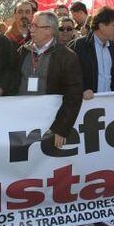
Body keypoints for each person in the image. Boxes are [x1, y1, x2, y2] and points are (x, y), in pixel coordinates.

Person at [15, 11, 83, 148]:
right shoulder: (23, 51)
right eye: (31, 25)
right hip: (21, 123)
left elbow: (74, 96)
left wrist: (61, 128)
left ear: (49, 30)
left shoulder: (67, 56)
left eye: (35, 26)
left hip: (49, 125)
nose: (31, 29)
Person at [71, 6, 114, 99]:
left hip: (110, 106)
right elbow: (68, 75)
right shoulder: (80, 45)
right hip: (85, 106)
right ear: (102, 26)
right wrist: (82, 90)